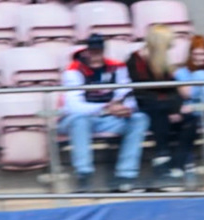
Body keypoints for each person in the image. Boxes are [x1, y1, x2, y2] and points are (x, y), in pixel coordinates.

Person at [61, 33, 146, 193]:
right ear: (87, 50)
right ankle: (84, 175)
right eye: (92, 51)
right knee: (80, 119)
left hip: (110, 118)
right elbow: (73, 106)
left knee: (139, 118)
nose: (96, 54)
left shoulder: (117, 67)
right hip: (81, 120)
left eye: (98, 50)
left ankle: (125, 176)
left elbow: (127, 94)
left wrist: (126, 109)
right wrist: (106, 108)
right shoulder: (74, 70)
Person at [126, 23, 189, 187]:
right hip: (146, 105)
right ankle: (162, 161)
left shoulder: (164, 63)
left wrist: (176, 108)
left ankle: (178, 166)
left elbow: (173, 89)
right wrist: (170, 106)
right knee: (159, 112)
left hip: (165, 105)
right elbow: (142, 92)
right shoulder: (135, 60)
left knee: (190, 119)